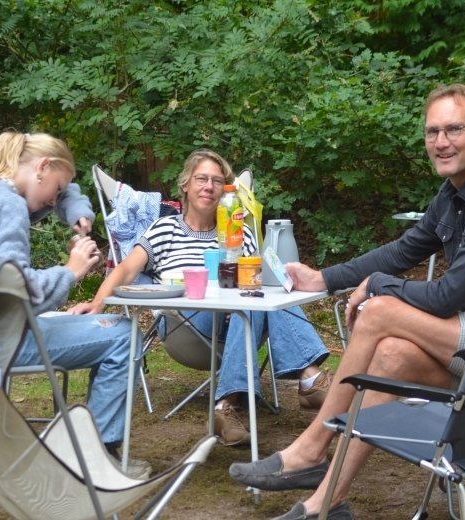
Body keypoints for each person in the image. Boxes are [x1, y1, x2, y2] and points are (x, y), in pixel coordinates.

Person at [228, 84, 465, 519]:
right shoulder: (455, 194)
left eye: (453, 130)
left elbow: (448, 296)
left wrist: (379, 286)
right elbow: (402, 250)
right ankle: (324, 503)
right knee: (389, 354)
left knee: (380, 311)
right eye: (432, 132)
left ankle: (311, 449)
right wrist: (325, 277)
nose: (441, 142)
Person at [70, 148, 332, 446]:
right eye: (201, 179)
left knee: (260, 294)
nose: (209, 186)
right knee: (252, 301)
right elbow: (126, 269)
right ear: (186, 185)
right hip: (185, 327)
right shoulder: (164, 229)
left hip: (239, 325)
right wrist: (97, 303)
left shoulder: (240, 233)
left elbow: (258, 283)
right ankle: (310, 379)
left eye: (217, 181)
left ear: (226, 190)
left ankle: (226, 407)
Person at [0, 131, 148, 477]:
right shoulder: (9, 206)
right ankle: (97, 456)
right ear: (41, 166)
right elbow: (15, 288)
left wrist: (76, 210)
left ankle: (94, 449)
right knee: (124, 334)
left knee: (116, 330)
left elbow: (60, 190)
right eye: (55, 190)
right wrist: (70, 272)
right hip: (2, 338)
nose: (53, 201)